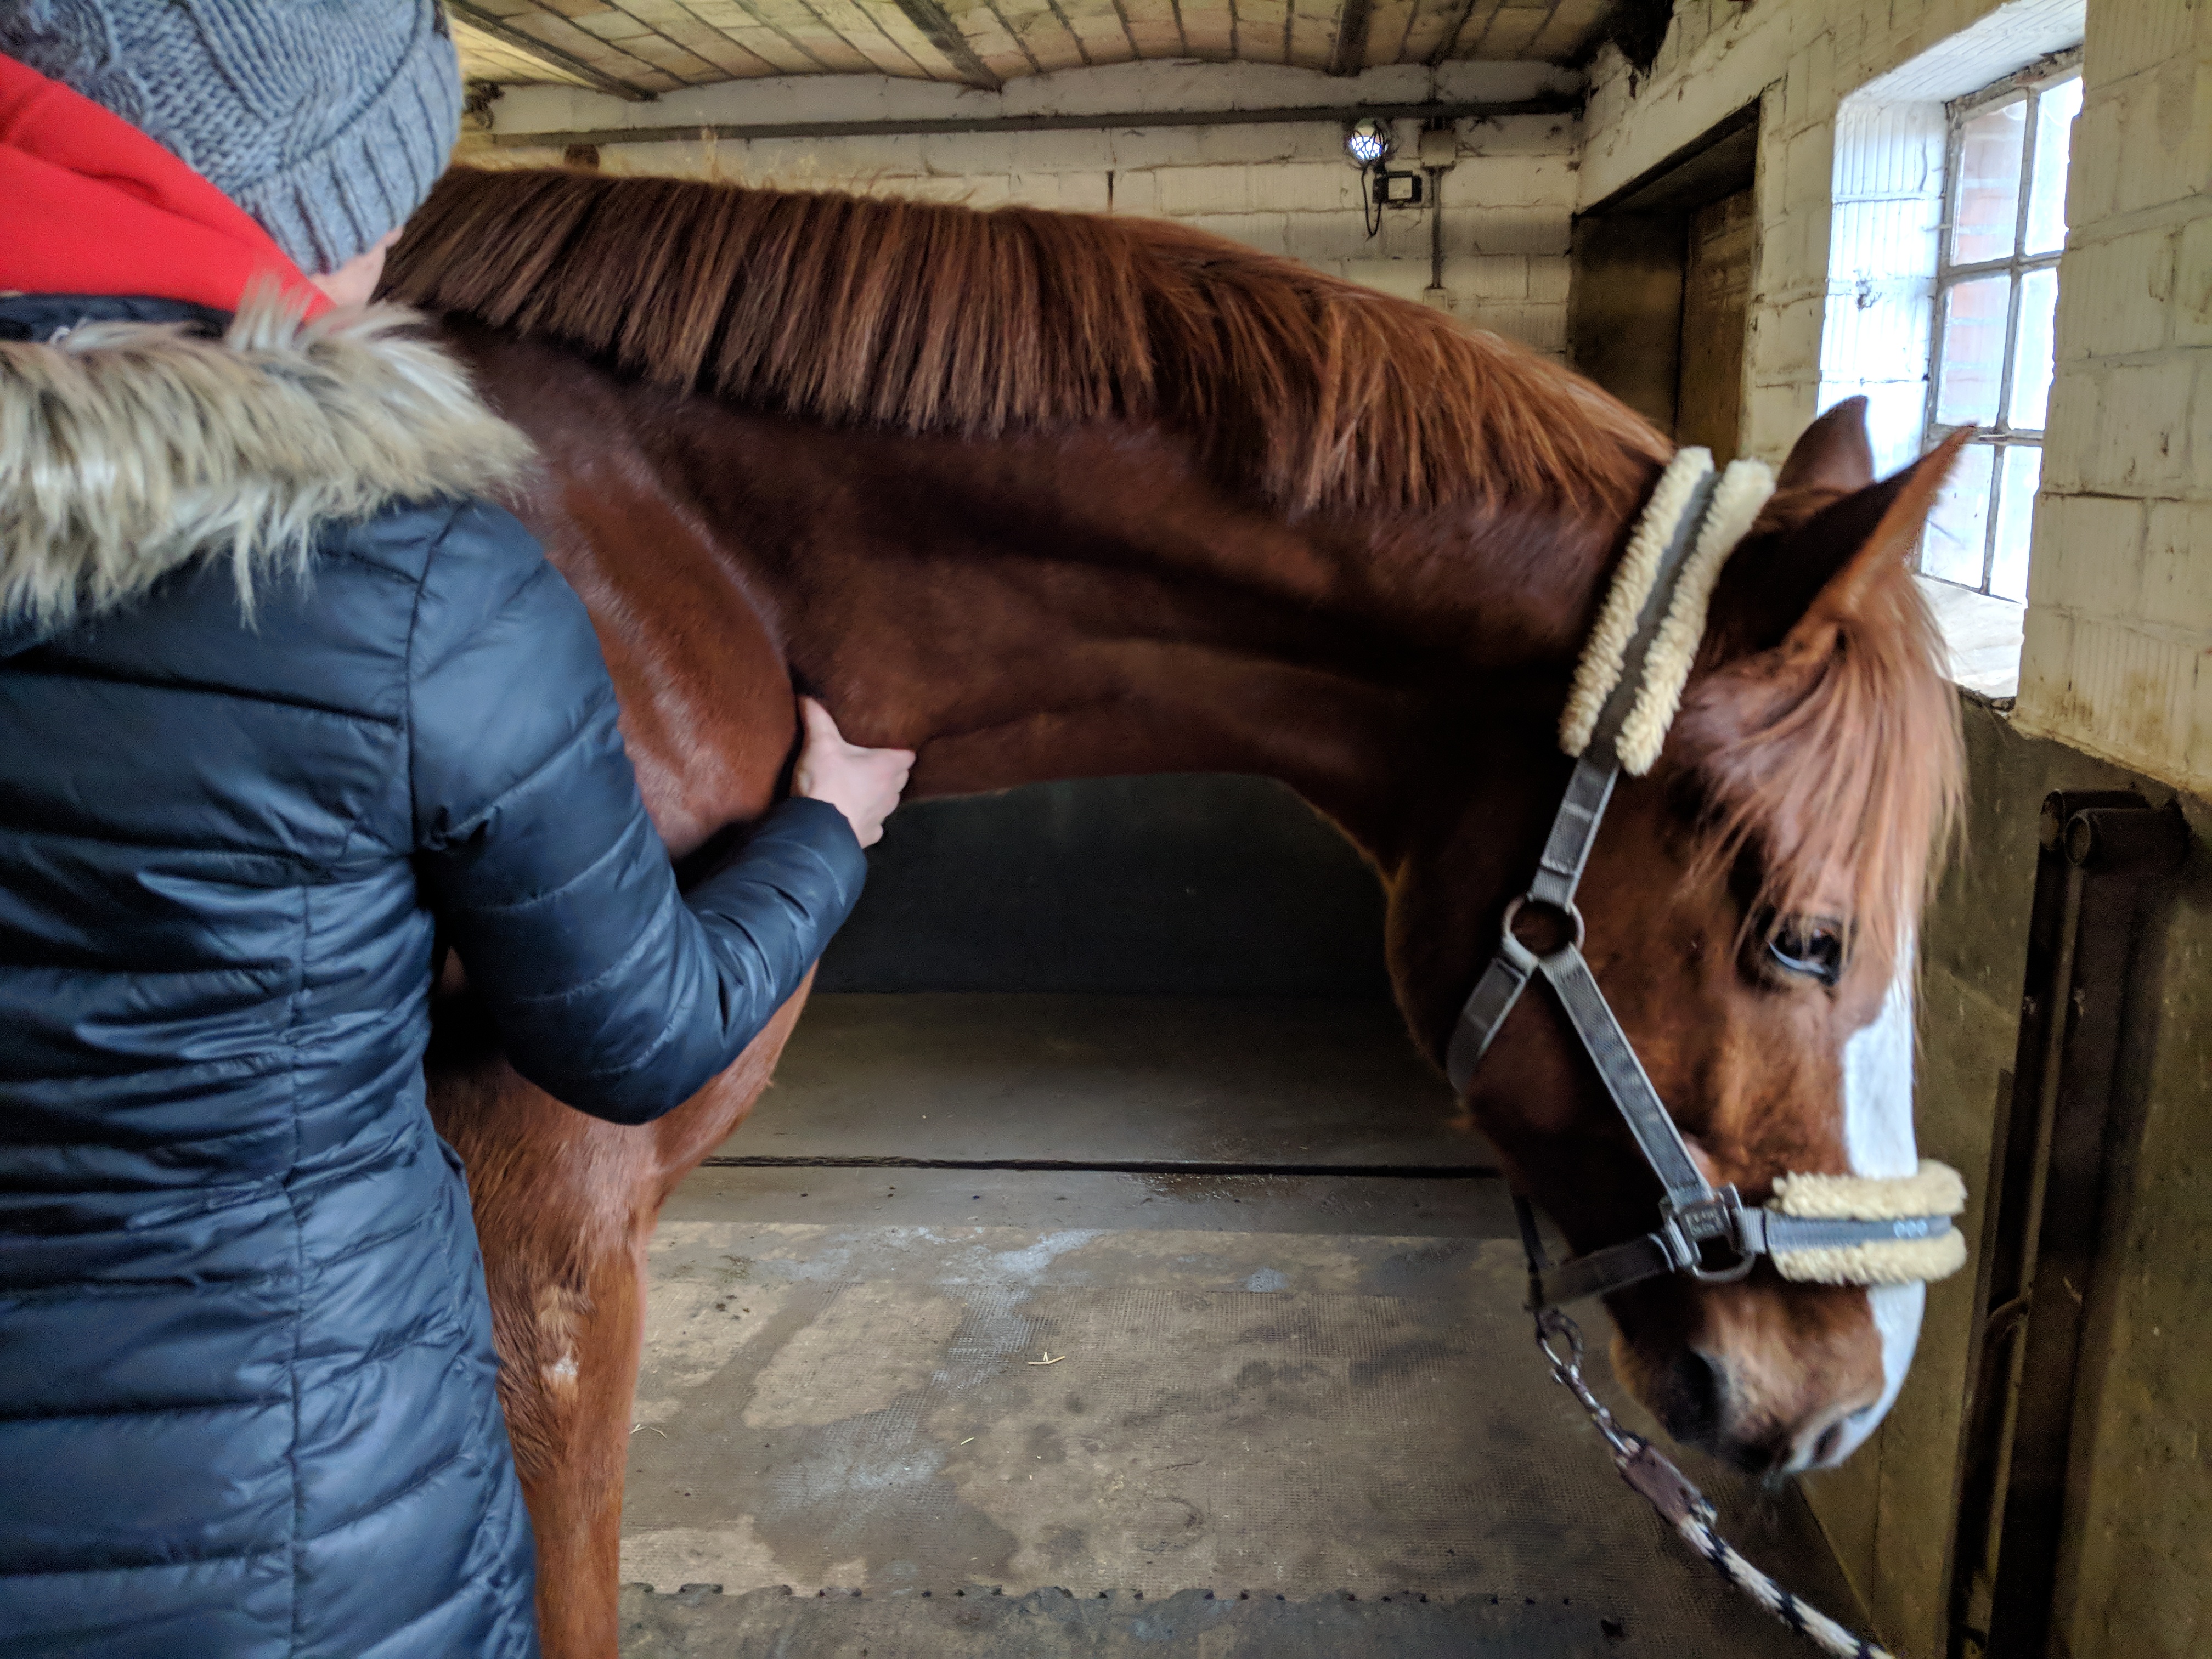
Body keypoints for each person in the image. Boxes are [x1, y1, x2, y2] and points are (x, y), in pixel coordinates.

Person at [0, 5, 912, 1655]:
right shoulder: (415, 582)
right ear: (312, 218)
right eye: (389, 198)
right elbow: (635, 1038)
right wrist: (828, 836)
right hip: (294, 1539)